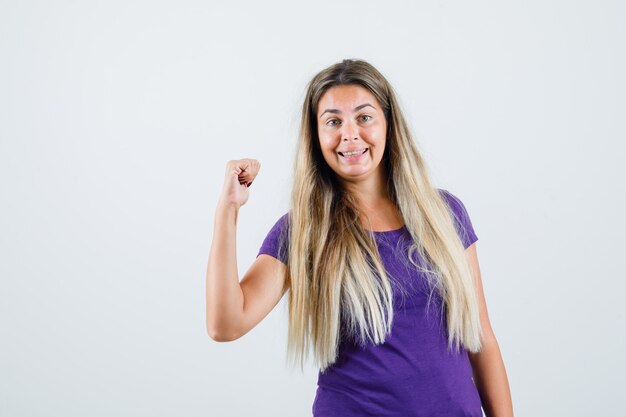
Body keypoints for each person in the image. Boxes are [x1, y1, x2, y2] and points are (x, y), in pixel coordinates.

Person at [206, 59, 514, 416]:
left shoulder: (445, 214)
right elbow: (226, 324)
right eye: (333, 121)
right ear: (316, 136)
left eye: (364, 117)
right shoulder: (304, 230)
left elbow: (481, 340)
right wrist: (228, 210)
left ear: (388, 124)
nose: (349, 134)